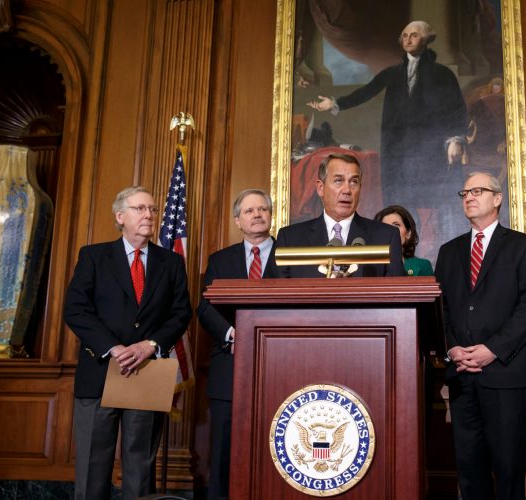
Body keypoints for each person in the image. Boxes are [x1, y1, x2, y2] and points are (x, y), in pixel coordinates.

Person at [64, 186, 192, 500]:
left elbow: (181, 313)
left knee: (139, 468)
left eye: (152, 209)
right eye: (139, 208)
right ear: (120, 216)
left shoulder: (171, 262)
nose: (148, 214)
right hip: (100, 371)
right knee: (94, 466)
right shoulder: (93, 256)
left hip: (147, 372)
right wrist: (114, 347)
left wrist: (151, 344)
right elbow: (76, 309)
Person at [307, 20, 468, 256]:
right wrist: (335, 103)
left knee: (437, 200)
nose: (408, 39)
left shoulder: (442, 74)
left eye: (414, 35)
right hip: (399, 153)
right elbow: (367, 91)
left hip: (430, 152)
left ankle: (437, 254)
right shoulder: (393, 73)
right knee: (402, 201)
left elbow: (456, 107)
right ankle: (405, 254)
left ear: (425, 39)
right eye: (404, 35)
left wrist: (455, 139)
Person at [434, 171, 526, 499]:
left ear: (497, 199)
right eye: (464, 192)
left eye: (477, 190)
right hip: (462, 374)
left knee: (509, 466)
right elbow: (441, 310)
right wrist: (452, 348)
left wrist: (492, 349)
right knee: (469, 467)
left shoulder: (523, 246)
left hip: (505, 374)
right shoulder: (450, 251)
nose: (469, 197)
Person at [197, 189, 276, 499]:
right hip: (229, 368)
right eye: (249, 211)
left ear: (271, 216)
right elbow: (205, 307)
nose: (257, 215)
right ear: (237, 221)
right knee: (222, 453)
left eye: (262, 209)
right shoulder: (220, 260)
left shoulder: (290, 255)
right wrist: (234, 334)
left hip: (279, 367)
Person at [275, 152, 404, 278]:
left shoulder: (386, 237)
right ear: (320, 188)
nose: (347, 190)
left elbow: (397, 294)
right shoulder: (290, 239)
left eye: (353, 182)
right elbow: (274, 293)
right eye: (338, 181)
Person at [374, 204, 433, 276]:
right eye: (385, 226)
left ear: (408, 233)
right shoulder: (368, 267)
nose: (391, 231)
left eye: (396, 225)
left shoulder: (423, 266)